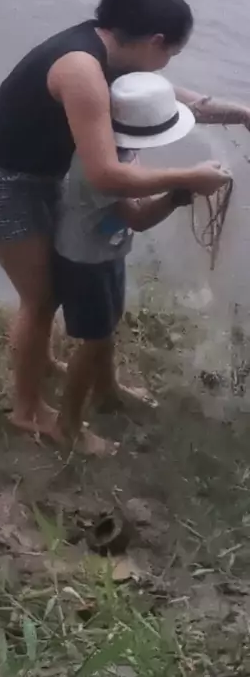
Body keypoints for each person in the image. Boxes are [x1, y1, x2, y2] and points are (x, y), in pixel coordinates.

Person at [0, 0, 249, 438]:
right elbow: (107, 175)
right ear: (155, 41)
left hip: (42, 175)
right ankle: (27, 410)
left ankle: (55, 366)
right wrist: (188, 178)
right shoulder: (82, 71)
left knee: (53, 289)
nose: (167, 65)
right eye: (171, 53)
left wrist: (243, 113)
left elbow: (176, 105)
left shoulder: (117, 55)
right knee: (41, 298)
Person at [53, 71, 231, 456]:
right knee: (93, 340)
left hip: (106, 250)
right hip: (85, 261)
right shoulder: (100, 170)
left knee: (107, 325)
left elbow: (131, 198)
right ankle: (67, 425)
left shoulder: (115, 146)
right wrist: (178, 195)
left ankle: (107, 391)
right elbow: (138, 217)